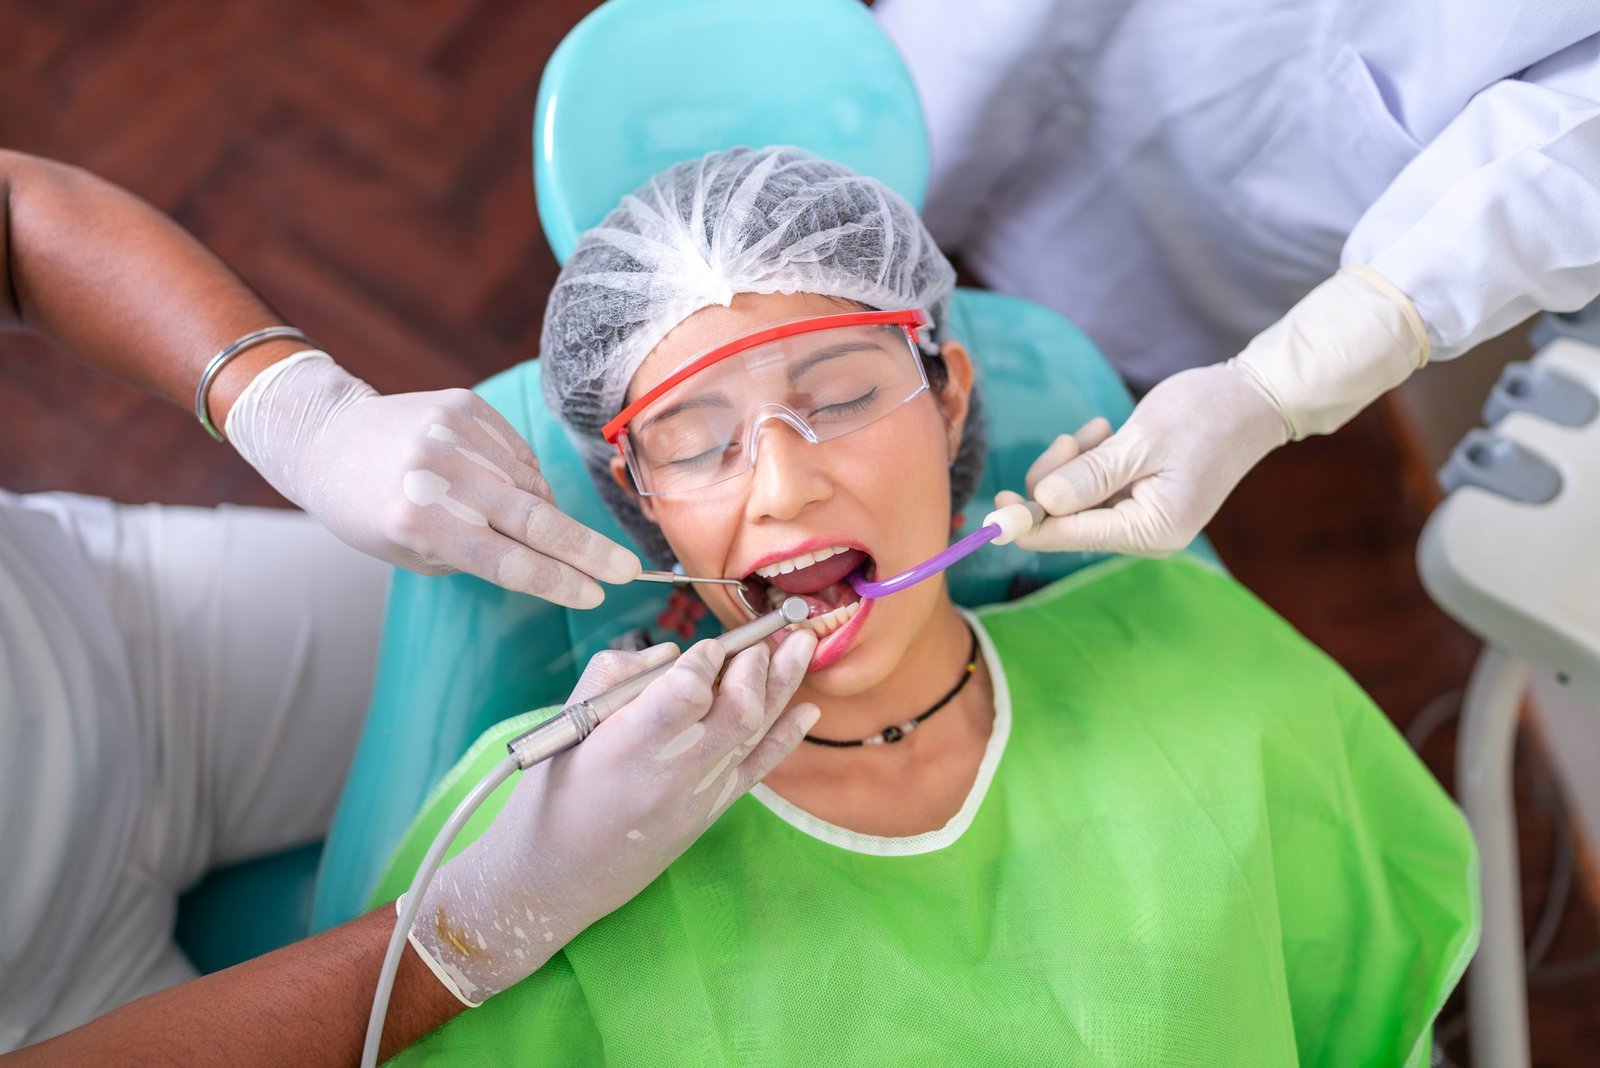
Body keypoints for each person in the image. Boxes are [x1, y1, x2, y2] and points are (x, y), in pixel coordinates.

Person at [373, 147, 1478, 1065]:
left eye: (841, 397)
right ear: (637, 500)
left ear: (950, 398)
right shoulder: (527, 833)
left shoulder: (1205, 663)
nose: (784, 485)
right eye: (696, 442)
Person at [0, 150, 817, 1064]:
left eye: (848, 393)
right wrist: (472, 928)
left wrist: (297, 409)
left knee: (459, 602)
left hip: (113, 630)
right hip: (52, 1015)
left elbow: (12, 214)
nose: (784, 490)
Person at [873, 0, 1600, 557]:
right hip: (989, 50)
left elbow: (1571, 156)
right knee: (888, 166)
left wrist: (1271, 387)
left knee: (1105, 353)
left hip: (1275, 169)